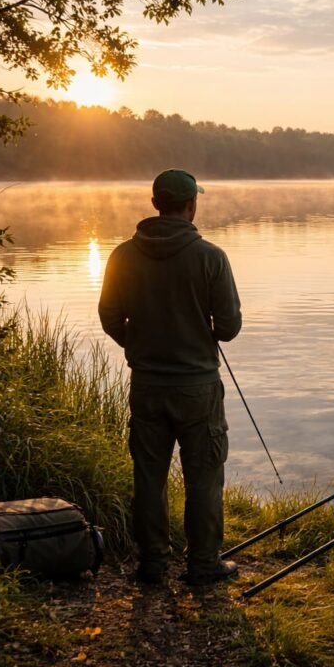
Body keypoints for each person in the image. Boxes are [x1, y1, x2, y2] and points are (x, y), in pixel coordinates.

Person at [99, 169, 242, 586]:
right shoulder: (211, 257)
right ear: (191, 205)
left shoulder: (122, 256)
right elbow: (229, 327)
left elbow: (109, 316)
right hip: (197, 387)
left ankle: (153, 564)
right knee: (204, 476)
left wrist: (137, 345)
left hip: (146, 385)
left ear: (155, 203)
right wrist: (207, 330)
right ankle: (202, 564)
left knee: (148, 476)